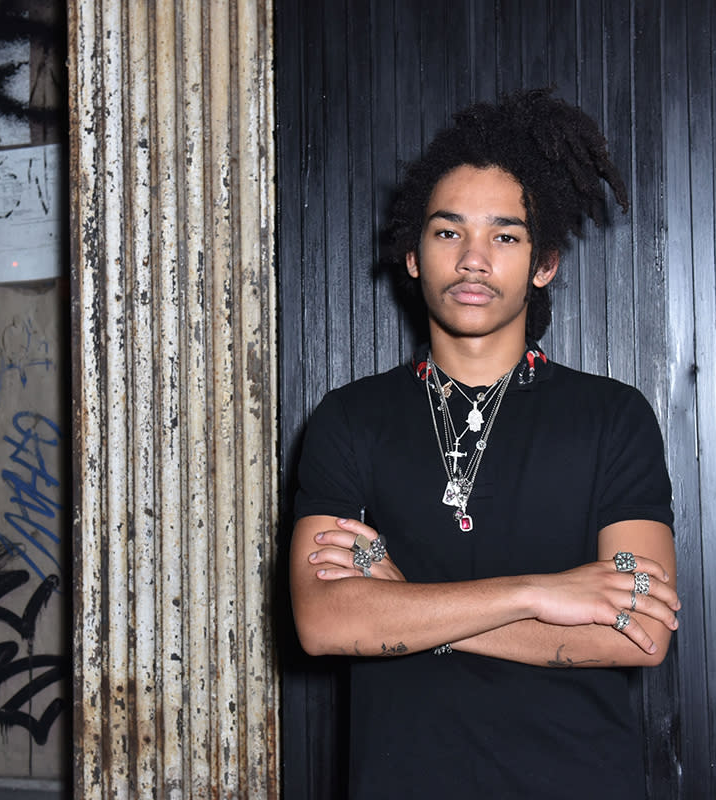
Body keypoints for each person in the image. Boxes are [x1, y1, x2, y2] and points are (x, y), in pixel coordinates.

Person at [289, 89, 681, 799]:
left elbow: (638, 634)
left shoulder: (612, 417)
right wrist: (541, 593)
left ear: (543, 263)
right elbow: (324, 620)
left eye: (504, 235)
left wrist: (404, 603)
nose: (474, 259)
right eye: (448, 233)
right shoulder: (349, 419)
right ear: (413, 255)